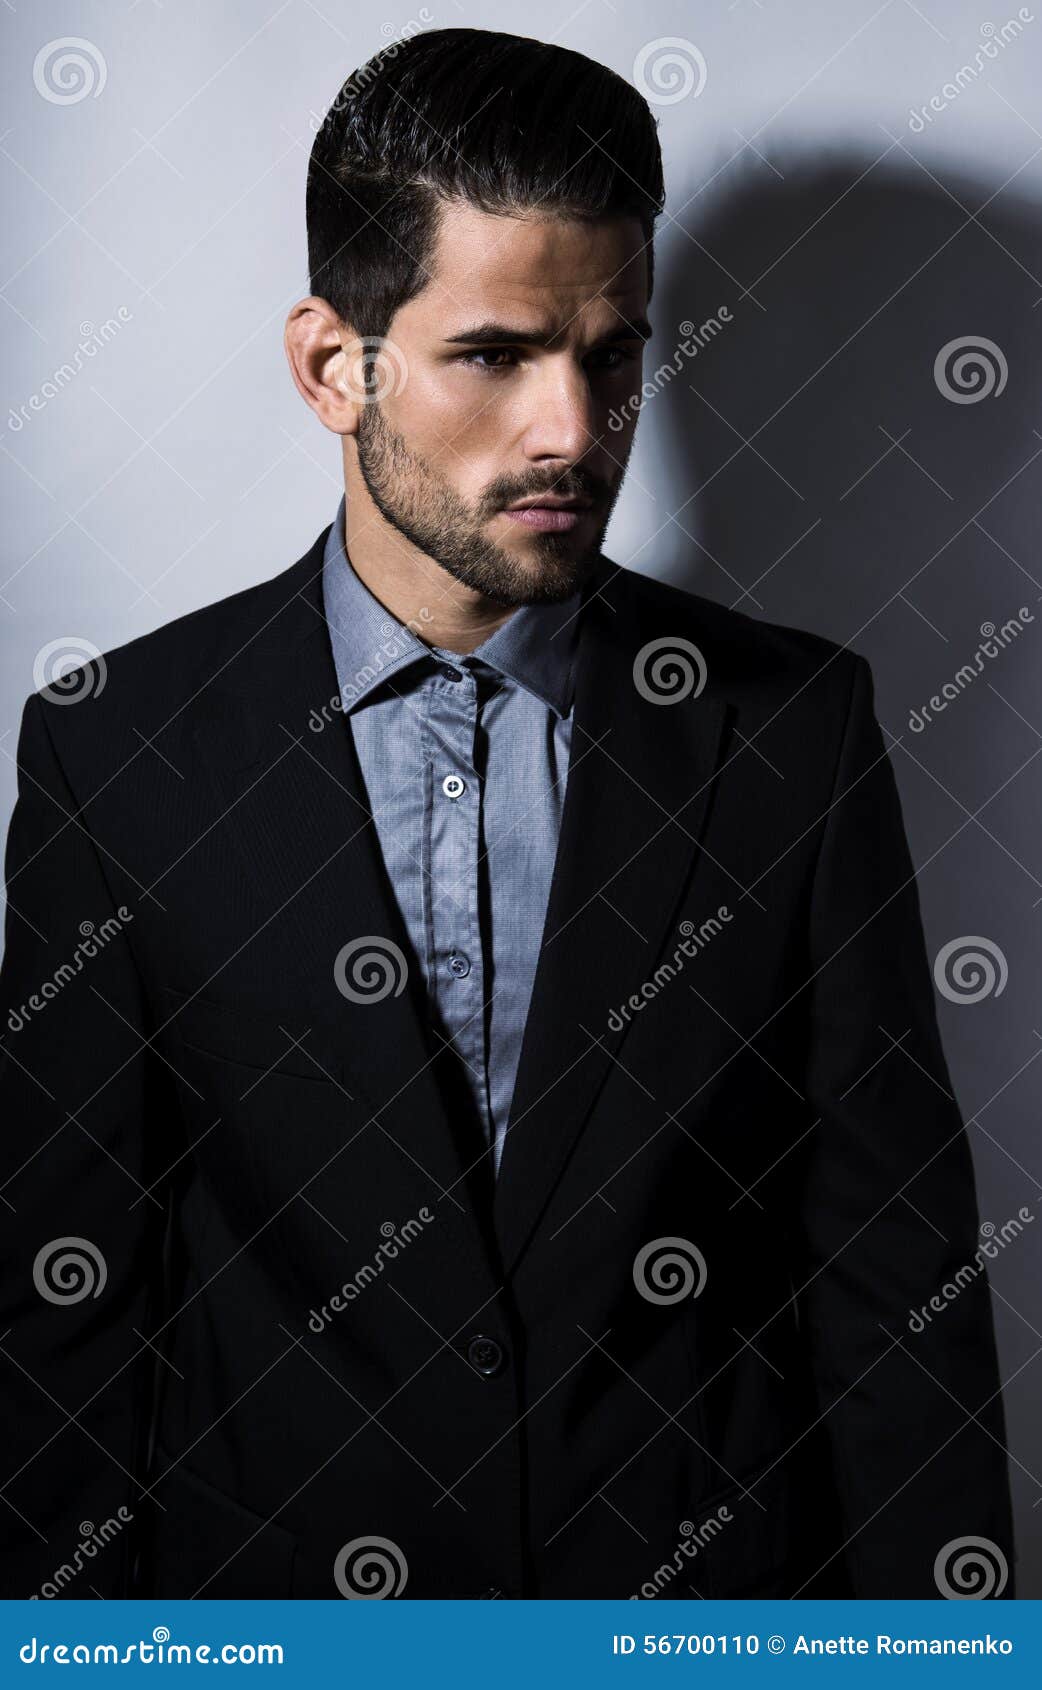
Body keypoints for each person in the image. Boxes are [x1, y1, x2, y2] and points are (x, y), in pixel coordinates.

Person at [0, 28, 1015, 1599]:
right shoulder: (121, 751)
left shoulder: (789, 731)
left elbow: (890, 1276)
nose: (569, 429)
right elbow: (65, 1314)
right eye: (493, 353)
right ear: (333, 367)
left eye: (611, 355)